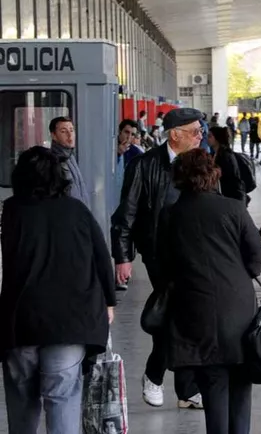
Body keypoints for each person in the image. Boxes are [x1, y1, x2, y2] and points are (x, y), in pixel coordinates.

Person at [0, 146, 116, 434]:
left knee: (21, 402)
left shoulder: (12, 211)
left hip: (21, 322)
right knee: (62, 397)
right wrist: (108, 302)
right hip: (69, 322)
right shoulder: (76, 210)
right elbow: (102, 257)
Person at [160, 149, 261, 434]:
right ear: (213, 174)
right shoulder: (234, 208)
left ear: (179, 178)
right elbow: (257, 259)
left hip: (195, 309)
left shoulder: (171, 215)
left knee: (213, 382)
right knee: (241, 381)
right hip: (238, 308)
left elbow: (164, 264)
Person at [110, 107, 204, 410]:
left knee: (185, 316)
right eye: (195, 131)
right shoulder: (144, 165)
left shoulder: (200, 162)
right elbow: (126, 214)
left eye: (201, 131)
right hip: (159, 253)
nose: (200, 136)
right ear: (175, 135)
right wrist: (123, 257)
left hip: (195, 253)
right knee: (175, 312)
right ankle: (157, 376)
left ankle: (183, 389)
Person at [49, 117, 90, 210]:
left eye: (71, 130)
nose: (69, 135)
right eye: (63, 131)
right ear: (53, 135)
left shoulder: (70, 156)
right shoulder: (55, 161)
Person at [208, 126, 246, 202]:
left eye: (210, 136)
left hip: (232, 196)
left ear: (217, 138)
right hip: (225, 194)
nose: (207, 138)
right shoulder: (215, 153)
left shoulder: (225, 156)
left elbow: (228, 177)